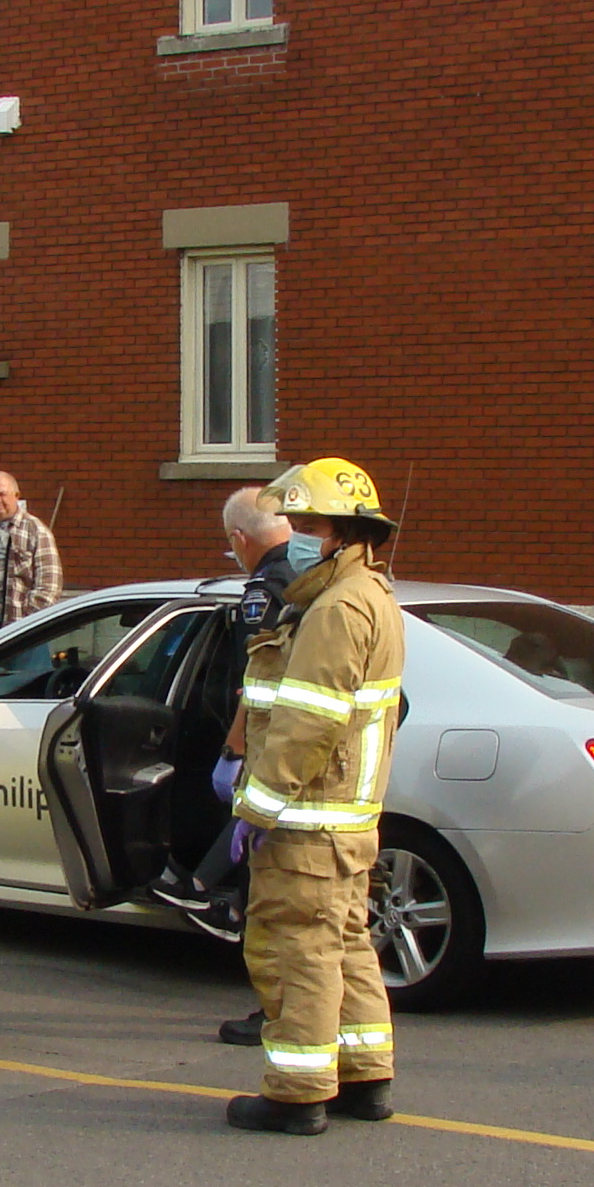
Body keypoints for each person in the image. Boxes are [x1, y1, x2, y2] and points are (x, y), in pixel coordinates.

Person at [221, 458, 406, 1136]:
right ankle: (363, 1077)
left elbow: (306, 721)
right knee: (344, 942)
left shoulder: (336, 608)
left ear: (343, 532)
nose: (295, 536)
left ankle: (297, 1093)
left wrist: (257, 806)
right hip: (345, 822)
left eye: (306, 525)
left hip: (307, 820)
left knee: (293, 947)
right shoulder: (367, 595)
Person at [153, 488, 321, 980]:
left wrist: (233, 747)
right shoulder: (321, 578)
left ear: (239, 539)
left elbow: (260, 677)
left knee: (272, 885)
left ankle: (207, 894)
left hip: (281, 742)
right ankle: (209, 890)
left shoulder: (266, 588)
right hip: (316, 749)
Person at [0, 470, 63, 634]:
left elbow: (50, 585)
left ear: (16, 495)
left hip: (18, 632)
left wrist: (27, 623)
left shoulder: (35, 530)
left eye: (2, 494)